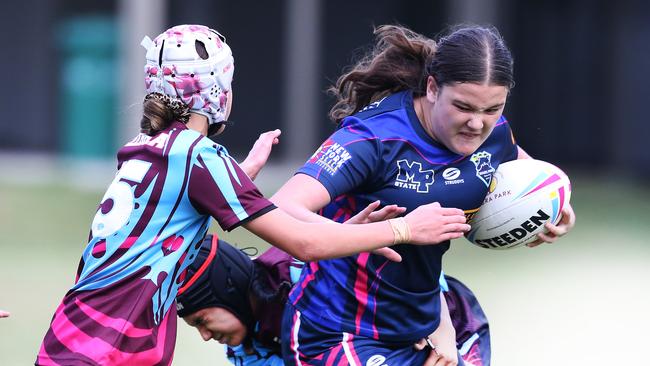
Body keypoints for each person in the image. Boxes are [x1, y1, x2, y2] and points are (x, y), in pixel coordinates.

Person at [35, 24, 470, 366]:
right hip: (111, 348)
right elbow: (304, 244)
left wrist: (240, 181)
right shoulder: (199, 157)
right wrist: (405, 228)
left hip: (72, 340)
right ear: (219, 90)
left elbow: (169, 224)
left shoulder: (141, 150)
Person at [271, 24, 576, 366]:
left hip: (419, 330)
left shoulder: (494, 136)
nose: (477, 124)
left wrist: (556, 209)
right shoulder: (372, 139)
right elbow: (280, 211)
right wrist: (401, 229)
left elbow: (534, 178)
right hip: (336, 332)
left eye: (492, 109)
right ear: (432, 88)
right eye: (463, 107)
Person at [177, 234, 491, 366]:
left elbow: (409, 259)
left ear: (226, 290)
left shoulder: (301, 273)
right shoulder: (242, 350)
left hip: (448, 329)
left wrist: (441, 330)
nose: (204, 336)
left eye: (202, 320)